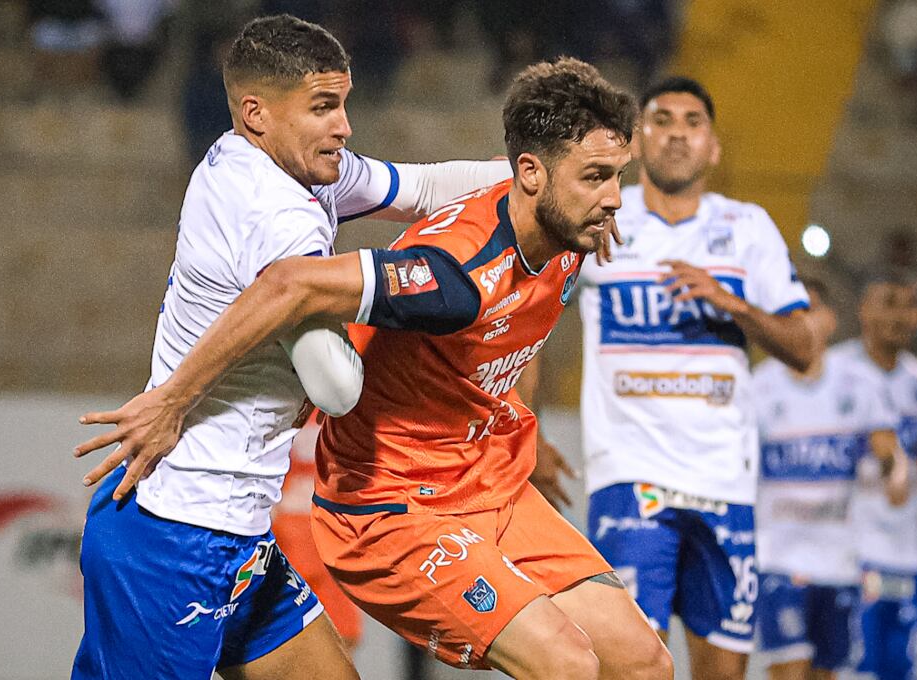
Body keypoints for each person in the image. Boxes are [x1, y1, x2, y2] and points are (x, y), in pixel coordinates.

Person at [79, 56, 674, 680]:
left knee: (642, 664)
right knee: (567, 663)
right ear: (532, 174)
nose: (614, 199)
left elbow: (432, 199)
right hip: (392, 508)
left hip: (488, 484)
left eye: (616, 177)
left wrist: (582, 192)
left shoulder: (565, 223)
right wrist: (172, 399)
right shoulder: (453, 275)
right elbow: (290, 285)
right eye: (597, 178)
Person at [70, 14, 515, 680]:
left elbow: (422, 188)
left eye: (343, 103)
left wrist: (534, 180)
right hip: (175, 533)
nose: (345, 125)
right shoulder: (270, 210)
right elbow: (335, 384)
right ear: (257, 113)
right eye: (323, 107)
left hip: (239, 533)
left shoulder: (278, 165)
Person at [574, 76, 816, 680]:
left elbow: (805, 346)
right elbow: (535, 319)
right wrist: (523, 428)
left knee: (723, 673)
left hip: (724, 483)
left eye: (692, 122)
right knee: (630, 666)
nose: (677, 134)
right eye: (662, 120)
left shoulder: (747, 227)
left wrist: (731, 302)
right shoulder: (600, 219)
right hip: (629, 476)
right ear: (634, 142)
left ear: (713, 147)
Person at [752, 279, 910, 680]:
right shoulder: (759, 386)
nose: (799, 320)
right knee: (790, 670)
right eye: (787, 312)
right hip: (778, 559)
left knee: (827, 674)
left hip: (839, 561)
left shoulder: (860, 385)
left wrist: (894, 471)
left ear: (830, 320)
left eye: (808, 309)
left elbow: (890, 452)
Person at [831, 270, 917, 680]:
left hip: (906, 560)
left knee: (907, 671)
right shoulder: (835, 372)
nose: (901, 316)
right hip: (846, 558)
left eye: (911, 305)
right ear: (863, 309)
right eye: (889, 302)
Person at [270, 410, 362, 649]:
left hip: (323, 529)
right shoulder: (346, 405)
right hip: (307, 530)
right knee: (290, 637)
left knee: (334, 635)